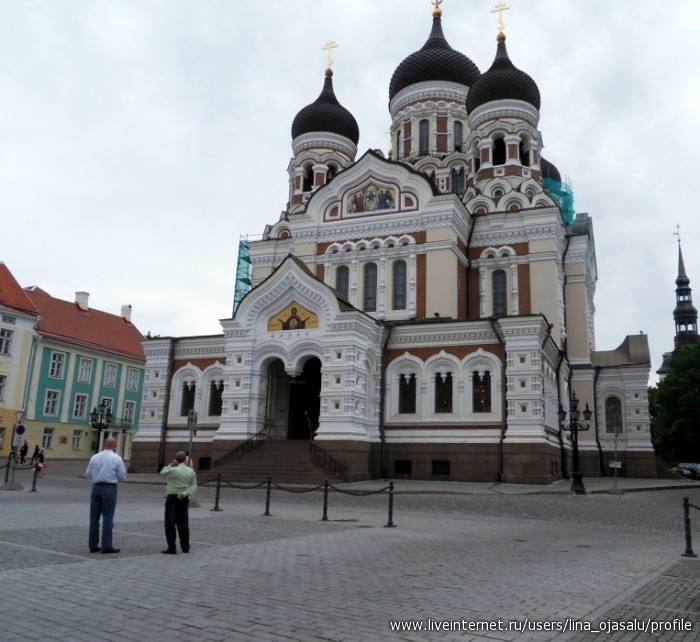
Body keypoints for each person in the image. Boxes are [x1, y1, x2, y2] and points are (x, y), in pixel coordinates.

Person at [84, 436, 126, 554]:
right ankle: (107, 545)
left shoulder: (95, 457)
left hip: (96, 487)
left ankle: (93, 545)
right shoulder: (117, 458)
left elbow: (88, 474)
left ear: (104, 444)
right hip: (110, 488)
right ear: (114, 445)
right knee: (108, 518)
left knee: (94, 518)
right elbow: (122, 475)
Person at [159, 451, 197, 554]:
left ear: (176, 459)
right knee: (183, 523)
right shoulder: (191, 471)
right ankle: (185, 547)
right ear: (185, 460)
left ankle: (172, 547)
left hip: (172, 499)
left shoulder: (173, 470)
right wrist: (184, 493)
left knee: (170, 523)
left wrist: (171, 464)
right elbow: (194, 487)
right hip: (183, 499)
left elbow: (162, 472)